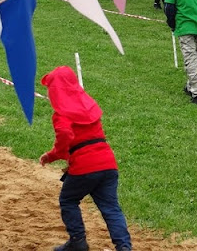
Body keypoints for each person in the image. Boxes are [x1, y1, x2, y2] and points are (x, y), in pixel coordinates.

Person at [39, 66, 132, 251]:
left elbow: (65, 134)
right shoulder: (88, 105)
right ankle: (124, 247)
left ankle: (77, 241)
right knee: (111, 208)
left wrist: (53, 155)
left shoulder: (61, 114)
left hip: (84, 167)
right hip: (108, 164)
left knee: (68, 200)